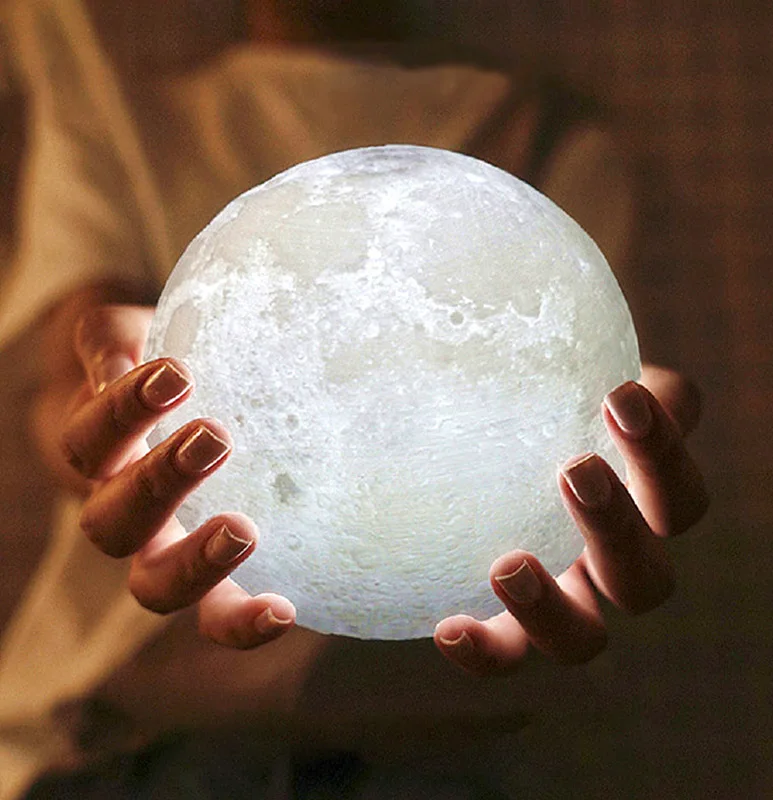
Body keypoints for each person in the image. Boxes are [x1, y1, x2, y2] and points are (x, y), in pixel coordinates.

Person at [0, 0, 708, 797]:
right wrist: (113, 438)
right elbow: (69, 387)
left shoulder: (548, 140)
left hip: (441, 737)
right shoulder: (120, 125)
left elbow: (590, 433)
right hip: (129, 732)